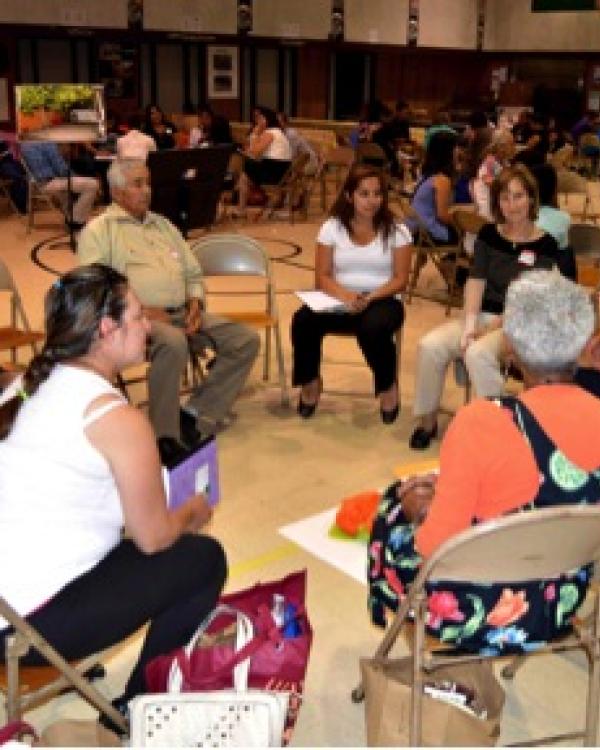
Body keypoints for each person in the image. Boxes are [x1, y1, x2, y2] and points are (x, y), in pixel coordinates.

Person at [0, 264, 227, 726]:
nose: (150, 325)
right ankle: (138, 706)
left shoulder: (30, 384)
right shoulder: (116, 418)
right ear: (106, 329)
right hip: (30, 629)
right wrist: (192, 513)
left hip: (9, 605)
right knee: (202, 559)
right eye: (140, 316)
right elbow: (152, 538)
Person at [369, 269, 600, 652]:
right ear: (583, 344)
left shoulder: (484, 420)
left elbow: (434, 548)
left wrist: (419, 510)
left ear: (510, 344)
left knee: (392, 508)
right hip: (562, 599)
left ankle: (423, 656)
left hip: (482, 613)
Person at [77, 159, 259, 451]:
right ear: (117, 192)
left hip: (181, 314)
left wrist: (195, 302)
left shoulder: (163, 225)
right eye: (138, 184)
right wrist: (142, 312)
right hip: (133, 324)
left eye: (147, 183)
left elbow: (192, 271)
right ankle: (165, 437)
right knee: (173, 342)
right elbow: (94, 288)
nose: (146, 190)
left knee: (244, 340)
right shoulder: (99, 231)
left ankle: (195, 415)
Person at [410, 164, 565, 451]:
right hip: (479, 314)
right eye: (505, 198)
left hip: (515, 323)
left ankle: (497, 429)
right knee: (429, 345)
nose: (512, 205)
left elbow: (528, 299)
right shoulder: (489, 236)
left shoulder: (546, 245)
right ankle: (427, 420)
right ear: (496, 203)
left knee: (478, 353)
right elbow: (475, 282)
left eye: (519, 196)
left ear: (531, 199)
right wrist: (470, 327)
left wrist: (487, 330)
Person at [291, 164, 413, 423]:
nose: (372, 201)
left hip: (383, 299)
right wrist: (346, 296)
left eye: (377, 194)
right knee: (303, 320)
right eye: (364, 194)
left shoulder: (398, 231)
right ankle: (310, 381)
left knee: (372, 329)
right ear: (349, 196)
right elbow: (322, 276)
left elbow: (401, 279)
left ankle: (387, 385)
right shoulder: (331, 228)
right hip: (339, 297)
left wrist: (369, 298)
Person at [20, 141, 98, 230]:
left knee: (78, 183)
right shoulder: (46, 143)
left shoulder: (25, 144)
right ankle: (75, 221)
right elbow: (61, 169)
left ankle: (73, 216)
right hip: (50, 182)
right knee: (92, 184)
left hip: (36, 184)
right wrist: (76, 177)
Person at [235, 106, 292, 217]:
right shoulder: (278, 132)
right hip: (281, 170)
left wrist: (255, 133)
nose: (258, 122)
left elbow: (255, 151)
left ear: (267, 119)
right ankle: (241, 206)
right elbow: (254, 151)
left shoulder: (270, 132)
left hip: (275, 171)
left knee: (245, 173)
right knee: (247, 171)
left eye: (260, 118)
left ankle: (241, 209)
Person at [405, 130, 459, 245]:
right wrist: (461, 222)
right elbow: (442, 216)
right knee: (466, 236)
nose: (457, 151)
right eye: (455, 148)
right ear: (448, 152)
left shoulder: (427, 174)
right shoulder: (442, 179)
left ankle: (447, 261)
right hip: (425, 232)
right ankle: (451, 262)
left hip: (413, 228)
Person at [0, 139, 27, 214]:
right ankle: (21, 206)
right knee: (18, 177)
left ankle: (22, 204)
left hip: (13, 160)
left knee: (27, 174)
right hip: (3, 164)